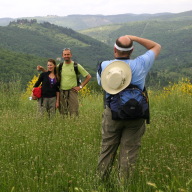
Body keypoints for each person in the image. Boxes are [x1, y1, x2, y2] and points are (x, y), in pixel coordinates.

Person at [96, 35, 161, 181]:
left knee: (107, 149)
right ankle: (123, 186)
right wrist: (134, 37)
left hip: (112, 113)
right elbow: (156, 46)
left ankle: (100, 183)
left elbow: (102, 84)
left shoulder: (105, 65)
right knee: (129, 151)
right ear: (132, 50)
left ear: (114, 49)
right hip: (136, 114)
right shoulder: (142, 63)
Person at [37, 48, 91, 116]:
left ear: (71, 55)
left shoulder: (76, 66)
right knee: (62, 112)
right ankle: (64, 124)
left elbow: (88, 76)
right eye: (65, 54)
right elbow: (51, 74)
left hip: (72, 92)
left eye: (68, 54)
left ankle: (73, 125)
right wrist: (42, 69)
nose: (66, 56)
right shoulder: (60, 66)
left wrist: (80, 86)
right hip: (61, 92)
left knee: (74, 112)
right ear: (62, 56)